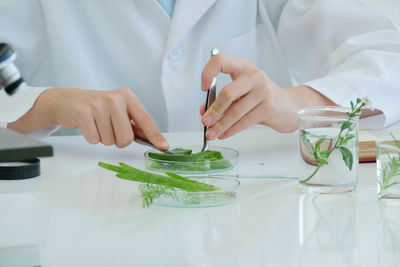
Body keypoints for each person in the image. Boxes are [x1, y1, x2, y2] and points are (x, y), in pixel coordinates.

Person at [0, 0, 399, 149]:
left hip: (245, 225)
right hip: (88, 212)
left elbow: (389, 57)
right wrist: (45, 104)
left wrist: (296, 104)